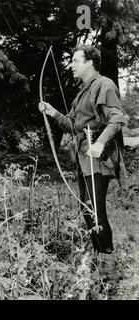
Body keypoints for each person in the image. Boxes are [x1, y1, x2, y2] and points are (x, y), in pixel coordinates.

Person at [38, 45, 127, 281]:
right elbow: (72, 125)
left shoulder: (104, 84)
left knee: (96, 211)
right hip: (83, 156)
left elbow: (117, 118)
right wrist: (53, 113)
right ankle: (99, 260)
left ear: (89, 62)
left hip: (99, 158)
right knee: (87, 210)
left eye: (76, 60)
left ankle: (109, 268)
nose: (72, 64)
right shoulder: (83, 91)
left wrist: (100, 142)